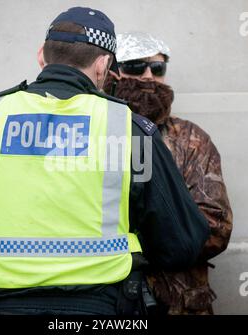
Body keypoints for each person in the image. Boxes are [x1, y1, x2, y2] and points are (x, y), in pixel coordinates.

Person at [0, 8, 210, 315]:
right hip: (100, 308)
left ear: (41, 57)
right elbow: (182, 242)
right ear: (102, 65)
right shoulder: (127, 128)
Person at [103, 32, 233, 315]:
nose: (149, 76)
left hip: (180, 303)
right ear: (113, 72)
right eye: (136, 66)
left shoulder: (191, 139)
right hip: (108, 302)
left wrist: (143, 246)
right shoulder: (93, 133)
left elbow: (216, 226)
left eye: (157, 67)